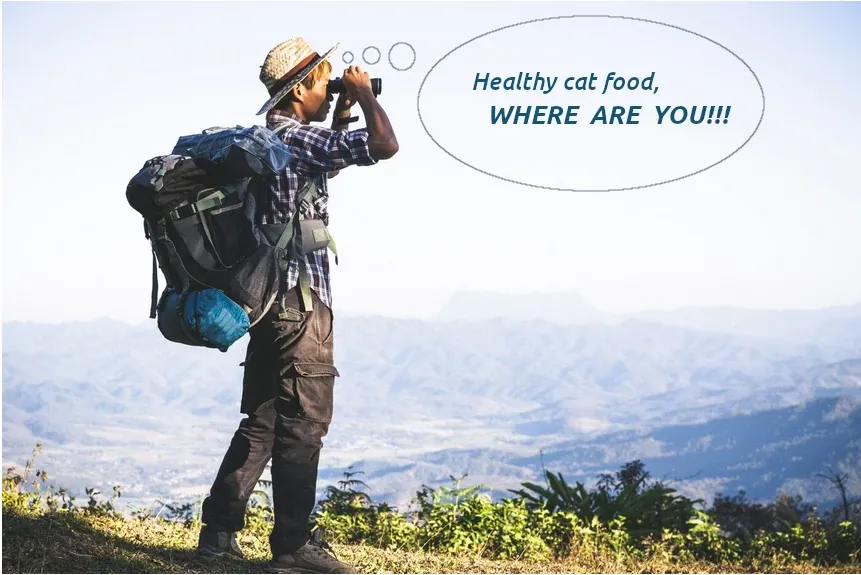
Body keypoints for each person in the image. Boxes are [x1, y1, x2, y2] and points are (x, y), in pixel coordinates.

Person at [196, 37, 398, 574]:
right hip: (302, 304)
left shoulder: (267, 140)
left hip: (262, 302)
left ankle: (218, 532)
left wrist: (341, 108)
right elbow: (385, 145)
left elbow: (321, 169)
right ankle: (292, 545)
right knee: (305, 423)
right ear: (302, 87)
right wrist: (366, 99)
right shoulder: (300, 140)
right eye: (325, 81)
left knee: (262, 420)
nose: (329, 87)